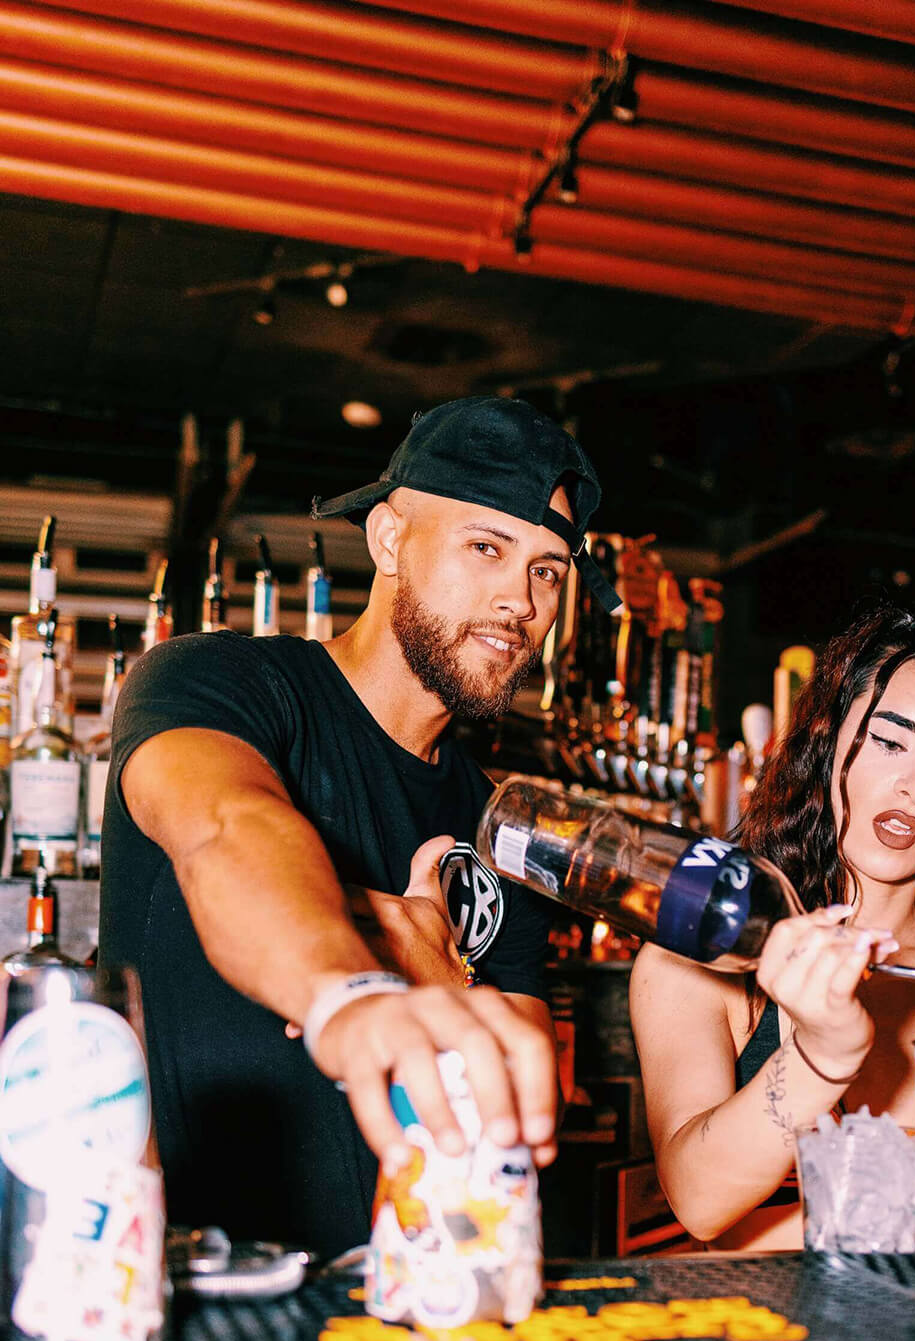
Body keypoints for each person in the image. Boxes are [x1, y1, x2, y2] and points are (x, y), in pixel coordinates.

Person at [100, 397, 622, 1258]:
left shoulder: (500, 828)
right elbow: (228, 825)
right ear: (388, 539)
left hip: (411, 1304)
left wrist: (436, 974)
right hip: (201, 1301)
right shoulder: (222, 684)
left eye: (548, 570)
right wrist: (357, 982)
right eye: (485, 547)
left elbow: (527, 1104)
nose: (518, 600)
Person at [631, 606, 915, 1250]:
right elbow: (699, 1199)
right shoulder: (702, 955)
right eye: (890, 741)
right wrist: (822, 1053)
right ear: (828, 744)